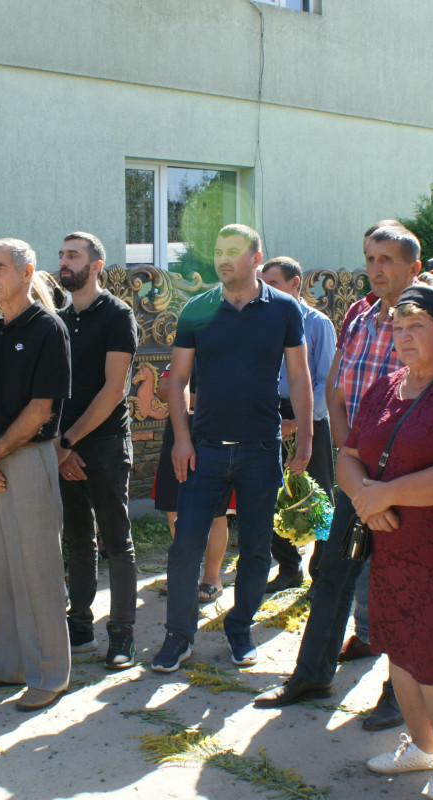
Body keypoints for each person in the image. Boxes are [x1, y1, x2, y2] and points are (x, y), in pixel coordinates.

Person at [253, 223, 422, 736]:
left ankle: (399, 693)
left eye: (387, 259)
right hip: (358, 470)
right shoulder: (359, 313)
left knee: (400, 585)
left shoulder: (429, 316)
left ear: (413, 267)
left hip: (406, 478)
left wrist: (386, 480)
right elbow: (337, 389)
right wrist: (350, 454)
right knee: (333, 571)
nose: (376, 268)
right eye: (371, 257)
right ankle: (311, 675)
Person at [347, 286, 433, 800]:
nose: (403, 338)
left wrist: (384, 495)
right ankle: (423, 748)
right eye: (398, 329)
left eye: (416, 328)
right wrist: (367, 499)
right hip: (389, 545)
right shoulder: (385, 386)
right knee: (400, 649)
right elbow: (348, 453)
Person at [152, 223, 312, 673]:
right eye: (217, 250)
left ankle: (240, 630)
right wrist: (181, 439)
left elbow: (298, 377)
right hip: (203, 450)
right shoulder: (196, 310)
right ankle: (178, 637)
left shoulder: (283, 309)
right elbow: (179, 380)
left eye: (233, 251)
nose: (223, 259)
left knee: (257, 548)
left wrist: (306, 438)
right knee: (185, 546)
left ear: (256, 256)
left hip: (261, 450)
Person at [0, 238, 73, 712]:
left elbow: (41, 408)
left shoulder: (48, 329)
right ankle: (5, 664)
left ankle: (49, 674)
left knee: (38, 571)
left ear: (27, 273)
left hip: (28, 459)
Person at [53, 232, 141, 669]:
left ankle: (122, 635)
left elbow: (113, 390)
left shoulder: (117, 315)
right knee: (76, 539)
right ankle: (79, 623)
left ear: (96, 265)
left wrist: (68, 442)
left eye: (73, 255)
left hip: (104, 444)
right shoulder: (58, 321)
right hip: (64, 446)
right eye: (62, 255)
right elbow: (51, 391)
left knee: (115, 540)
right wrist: (61, 448)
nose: (64, 262)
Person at [259, 256, 336, 590]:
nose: (265, 289)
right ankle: (288, 568)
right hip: (268, 415)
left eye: (272, 283)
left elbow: (326, 382)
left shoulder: (318, 324)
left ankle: (321, 573)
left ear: (295, 284)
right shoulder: (260, 322)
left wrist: (300, 423)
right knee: (271, 494)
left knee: (317, 497)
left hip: (309, 418)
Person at [152, 365, 231, 603]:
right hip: (178, 431)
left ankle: (212, 579)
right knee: (174, 506)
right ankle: (185, 572)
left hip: (218, 435)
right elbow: (164, 388)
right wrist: (198, 399)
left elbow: (234, 398)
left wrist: (184, 395)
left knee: (217, 512)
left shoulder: (232, 343)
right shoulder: (186, 344)